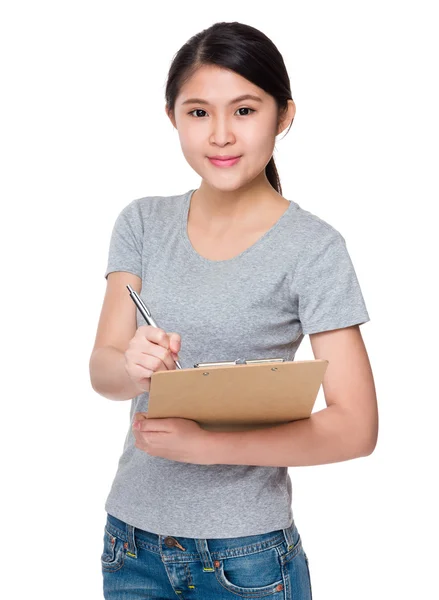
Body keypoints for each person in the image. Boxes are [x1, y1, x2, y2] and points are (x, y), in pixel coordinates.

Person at [89, 20, 378, 600]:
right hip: (131, 545)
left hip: (245, 558)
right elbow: (103, 371)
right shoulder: (142, 222)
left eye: (244, 110)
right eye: (198, 113)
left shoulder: (313, 248)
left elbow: (356, 427)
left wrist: (207, 446)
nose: (220, 135)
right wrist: (133, 367)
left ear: (284, 115)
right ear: (172, 117)